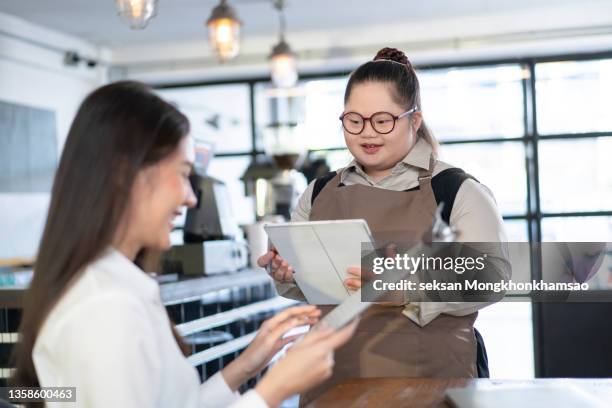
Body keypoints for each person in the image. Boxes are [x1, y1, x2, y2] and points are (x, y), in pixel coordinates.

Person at [11, 81, 357, 408]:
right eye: (182, 174)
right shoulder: (105, 307)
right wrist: (273, 390)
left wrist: (249, 364)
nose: (191, 197)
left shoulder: (116, 289)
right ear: (124, 173)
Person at [258, 47, 512, 403]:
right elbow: (314, 286)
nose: (367, 133)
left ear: (415, 120)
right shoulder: (317, 194)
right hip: (333, 386)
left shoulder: (457, 191)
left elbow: (492, 279)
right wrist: (287, 274)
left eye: (383, 120)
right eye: (354, 120)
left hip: (433, 388)